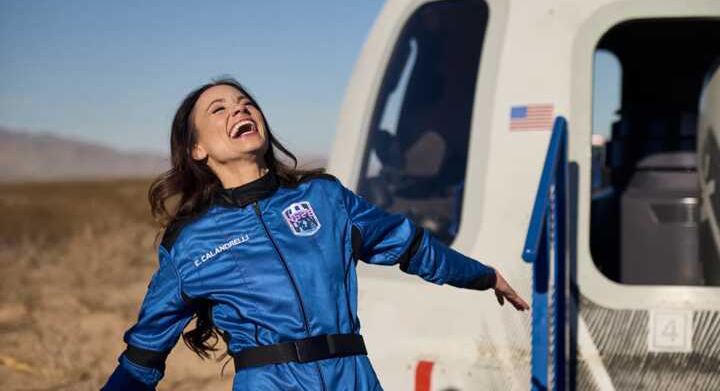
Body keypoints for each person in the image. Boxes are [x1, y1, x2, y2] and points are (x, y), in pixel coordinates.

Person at [101, 77, 529, 391]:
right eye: (219, 109)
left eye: (246, 102)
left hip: (354, 377)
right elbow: (144, 355)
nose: (240, 109)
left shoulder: (325, 198)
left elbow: (411, 245)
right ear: (198, 149)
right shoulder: (189, 243)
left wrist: (482, 275)